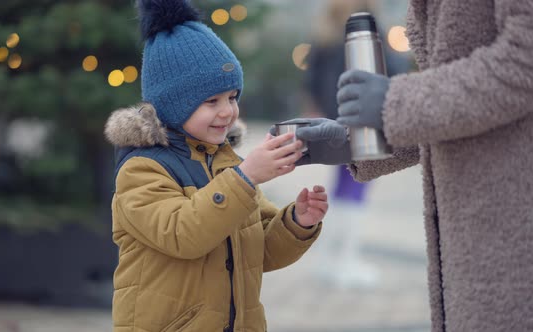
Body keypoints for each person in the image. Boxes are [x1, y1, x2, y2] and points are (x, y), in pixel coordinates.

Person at [280, 1, 533, 331]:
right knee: (346, 195)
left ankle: (339, 260)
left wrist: (392, 104)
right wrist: (351, 142)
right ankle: (337, 260)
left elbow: (523, 61)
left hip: (512, 225)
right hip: (476, 239)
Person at [104, 1, 327, 331]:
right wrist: (246, 176)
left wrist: (296, 223)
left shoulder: (225, 164)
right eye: (212, 101)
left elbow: (258, 253)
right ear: (172, 105)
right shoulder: (142, 169)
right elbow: (185, 234)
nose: (228, 112)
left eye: (232, 97)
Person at [302, 0, 410, 288]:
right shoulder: (366, 30)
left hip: (334, 118)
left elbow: (311, 80)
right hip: (362, 119)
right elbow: (393, 69)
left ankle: (328, 260)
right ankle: (345, 261)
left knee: (341, 188)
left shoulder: (325, 33)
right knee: (355, 188)